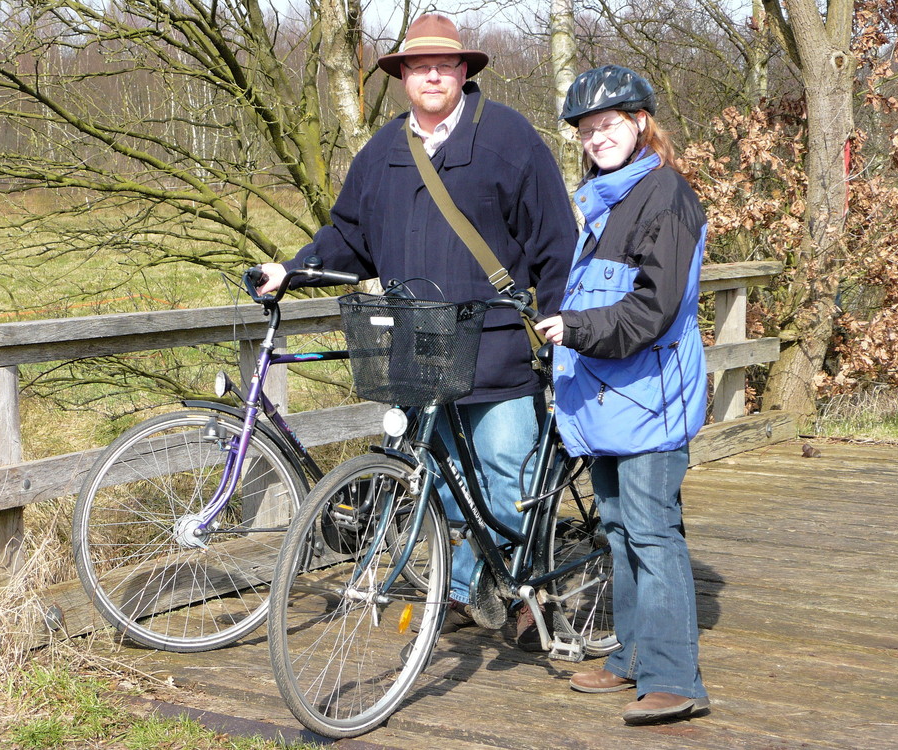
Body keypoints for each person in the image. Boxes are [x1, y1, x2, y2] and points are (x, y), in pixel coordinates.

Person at [256, 14, 575, 642]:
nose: (432, 74)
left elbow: (555, 240)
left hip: (496, 349)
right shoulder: (381, 154)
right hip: (419, 352)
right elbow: (349, 236)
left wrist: (558, 315)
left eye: (445, 65)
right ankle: (459, 591)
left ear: (464, 72)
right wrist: (291, 270)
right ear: (402, 76)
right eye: (418, 66)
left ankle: (523, 592)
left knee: (507, 471)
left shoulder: (510, 140)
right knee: (442, 484)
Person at [535, 65, 711, 724]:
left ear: (640, 123)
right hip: (607, 400)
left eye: (607, 124)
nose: (595, 138)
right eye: (586, 130)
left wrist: (574, 328)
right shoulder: (602, 198)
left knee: (651, 533)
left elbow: (652, 310)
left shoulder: (663, 194)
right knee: (617, 529)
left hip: (649, 399)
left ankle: (676, 679)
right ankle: (631, 658)